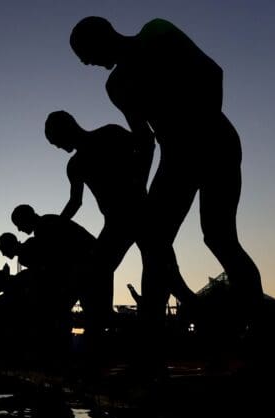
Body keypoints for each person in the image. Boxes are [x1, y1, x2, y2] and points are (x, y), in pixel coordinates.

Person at [69, 17, 263, 327]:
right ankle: (150, 357)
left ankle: (263, 333)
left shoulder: (157, 32)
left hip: (216, 142)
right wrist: (140, 188)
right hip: (176, 157)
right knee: (156, 245)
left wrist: (201, 132)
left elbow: (212, 73)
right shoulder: (116, 86)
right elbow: (144, 139)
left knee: (220, 238)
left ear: (101, 36)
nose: (89, 63)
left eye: (86, 54)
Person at [38, 111, 196, 326]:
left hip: (139, 215)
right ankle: (106, 326)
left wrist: (139, 182)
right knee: (98, 272)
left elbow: (147, 143)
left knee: (169, 277)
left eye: (55, 141)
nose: (56, 147)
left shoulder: (108, 135)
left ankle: (209, 324)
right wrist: (58, 224)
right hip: (117, 223)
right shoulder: (75, 165)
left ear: (64, 129)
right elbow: (75, 202)